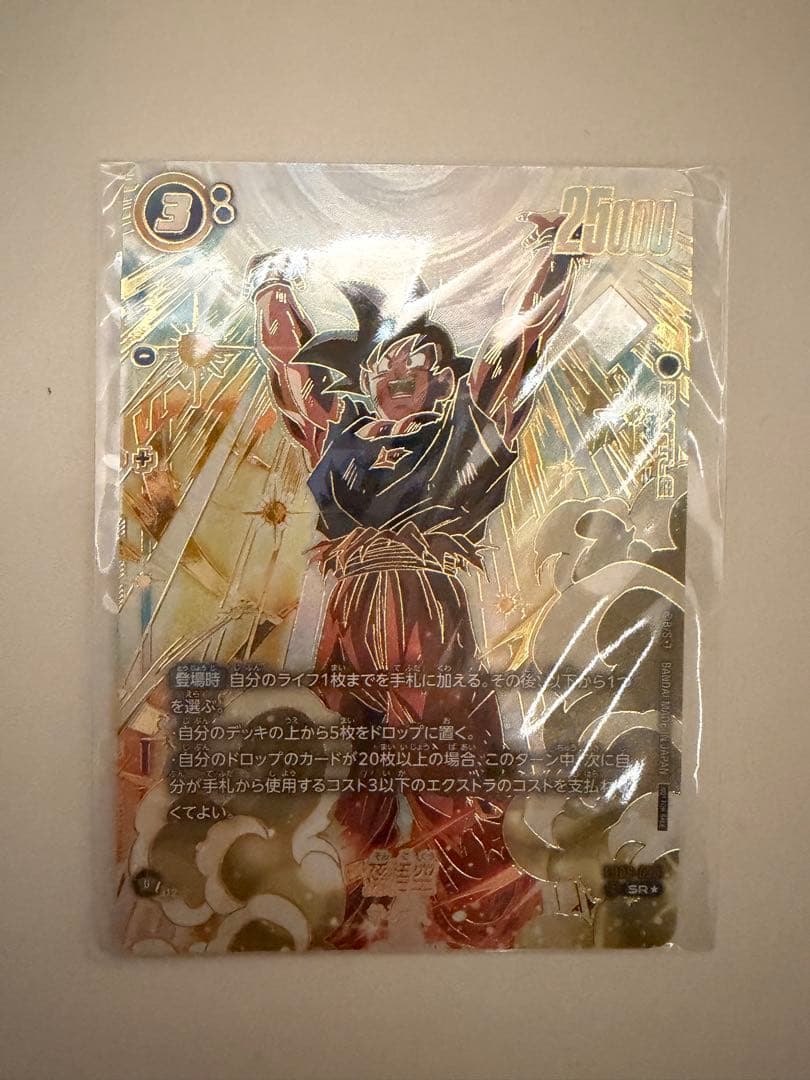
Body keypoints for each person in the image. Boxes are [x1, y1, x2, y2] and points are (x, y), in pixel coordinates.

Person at [247, 213, 579, 947]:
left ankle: (482, 922)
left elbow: (517, 352)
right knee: (345, 773)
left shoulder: (467, 428)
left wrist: (553, 256)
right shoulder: (338, 437)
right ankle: (339, 917)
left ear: (444, 377)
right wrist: (272, 287)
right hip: (346, 610)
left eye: (418, 359)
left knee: (448, 766)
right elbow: (294, 375)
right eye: (385, 360)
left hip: (423, 604)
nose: (398, 368)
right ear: (367, 379)